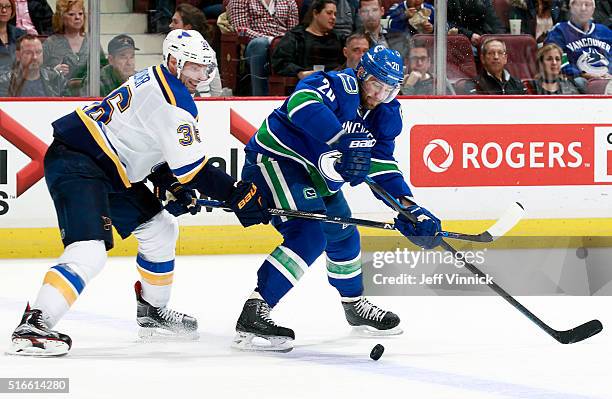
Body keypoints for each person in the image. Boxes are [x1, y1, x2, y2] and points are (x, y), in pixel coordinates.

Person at [8, 29, 270, 357]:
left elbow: (141, 136)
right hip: (80, 161)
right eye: (194, 67)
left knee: (160, 229)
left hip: (109, 164)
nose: (200, 75)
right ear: (174, 62)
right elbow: (194, 170)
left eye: (204, 68)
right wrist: (235, 193)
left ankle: (152, 313)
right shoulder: (175, 102)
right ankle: (34, 324)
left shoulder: (157, 76)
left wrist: (169, 181)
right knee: (89, 249)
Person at [232, 45, 442, 352]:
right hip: (276, 161)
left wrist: (408, 207)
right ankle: (255, 309)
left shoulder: (387, 114)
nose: (378, 95)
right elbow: (301, 103)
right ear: (361, 73)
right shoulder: (336, 85)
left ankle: (354, 305)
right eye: (375, 85)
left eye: (388, 90)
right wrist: (341, 139)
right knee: (309, 234)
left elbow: (381, 163)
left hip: (318, 177)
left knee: (344, 235)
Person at [227, 0, 299, 96]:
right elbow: (241, 30)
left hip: (283, 44)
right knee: (260, 44)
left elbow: (293, 31)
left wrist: (283, 42)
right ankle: (259, 96)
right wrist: (271, 40)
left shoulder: (289, 1)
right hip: (254, 45)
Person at [42, 0, 107, 95]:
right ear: (61, 18)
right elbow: (39, 73)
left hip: (89, 95)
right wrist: (54, 72)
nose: (77, 18)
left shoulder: (92, 41)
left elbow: (103, 69)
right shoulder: (51, 43)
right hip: (59, 96)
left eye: (80, 14)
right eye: (71, 14)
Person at [545, 0, 612, 91]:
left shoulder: (605, 31)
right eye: (578, 4)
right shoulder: (559, 31)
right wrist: (582, 74)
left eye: (587, 5)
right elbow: (559, 61)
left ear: (593, 9)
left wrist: (609, 75)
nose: (583, 8)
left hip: (608, 79)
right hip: (577, 81)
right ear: (571, 7)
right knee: (579, 82)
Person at [271, 0, 345, 79]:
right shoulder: (296, 37)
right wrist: (299, 72)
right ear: (315, 13)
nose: (333, 17)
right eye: (329, 13)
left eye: (335, 14)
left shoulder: (338, 38)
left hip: (336, 81)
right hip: (308, 83)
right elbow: (280, 62)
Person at [169, 3, 222, 97]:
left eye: (175, 22)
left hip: (202, 103)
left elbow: (216, 91)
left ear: (188, 27)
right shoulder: (171, 49)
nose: (170, 25)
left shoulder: (207, 53)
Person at [0, 33, 65, 96]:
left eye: (38, 52)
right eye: (28, 53)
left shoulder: (55, 78)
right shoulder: (4, 82)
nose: (35, 57)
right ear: (18, 55)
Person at [0, 0, 25, 70]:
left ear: (12, 10)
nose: (4, 10)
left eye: (8, 6)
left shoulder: (21, 34)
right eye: (0, 6)